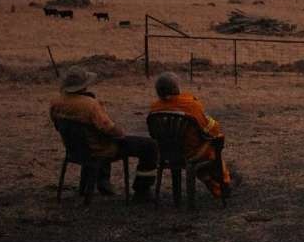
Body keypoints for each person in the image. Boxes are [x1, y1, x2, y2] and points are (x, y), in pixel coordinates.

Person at [50, 65, 158, 200]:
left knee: (98, 136)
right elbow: (109, 129)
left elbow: (57, 126)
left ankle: (99, 183)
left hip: (75, 149)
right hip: (97, 150)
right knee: (149, 146)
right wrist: (121, 134)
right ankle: (142, 191)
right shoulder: (90, 105)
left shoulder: (55, 103)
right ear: (84, 85)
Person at [149, 72, 233, 199]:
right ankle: (224, 182)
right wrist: (216, 130)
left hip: (166, 153)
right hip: (192, 153)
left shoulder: (154, 108)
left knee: (204, 154)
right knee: (216, 143)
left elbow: (153, 134)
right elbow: (209, 128)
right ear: (176, 88)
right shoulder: (190, 104)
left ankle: (214, 184)